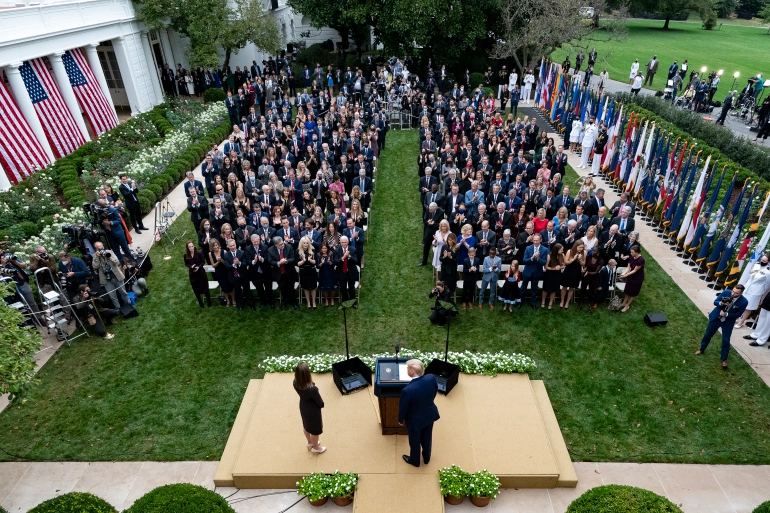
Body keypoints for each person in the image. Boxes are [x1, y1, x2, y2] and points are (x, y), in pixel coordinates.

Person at [398, 359, 440, 467]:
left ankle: (415, 461)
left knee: (414, 441)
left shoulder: (407, 390)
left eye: (407, 368)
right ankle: (426, 458)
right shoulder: (431, 378)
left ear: (411, 372)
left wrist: (400, 419)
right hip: (429, 414)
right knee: (427, 437)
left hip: (415, 420)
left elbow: (403, 408)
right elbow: (434, 392)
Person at [696, 285, 748, 369]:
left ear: (741, 293)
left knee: (726, 340)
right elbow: (715, 302)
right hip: (716, 317)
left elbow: (738, 314)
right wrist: (721, 303)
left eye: (736, 293)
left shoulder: (744, 302)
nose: (733, 294)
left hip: (728, 322)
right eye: (733, 291)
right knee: (708, 335)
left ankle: (724, 359)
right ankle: (702, 349)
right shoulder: (726, 292)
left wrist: (726, 314)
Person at [293, 362, 326, 454]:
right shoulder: (313, 389)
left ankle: (310, 442)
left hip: (303, 406)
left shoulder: (295, 382)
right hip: (313, 411)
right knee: (315, 431)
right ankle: (316, 447)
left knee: (306, 426)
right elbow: (320, 403)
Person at [735, 255, 770, 328]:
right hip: (747, 288)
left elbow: (767, 285)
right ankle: (737, 318)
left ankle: (741, 322)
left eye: (764, 261)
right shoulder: (756, 265)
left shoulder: (768, 272)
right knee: (741, 303)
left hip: (756, 292)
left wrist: (762, 296)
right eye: (761, 259)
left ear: (768, 262)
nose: (762, 261)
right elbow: (750, 276)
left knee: (749, 307)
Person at [92, 241, 129, 310]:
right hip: (106, 279)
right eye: (99, 248)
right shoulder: (94, 256)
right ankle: (118, 309)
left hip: (116, 275)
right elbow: (95, 267)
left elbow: (117, 262)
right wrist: (97, 258)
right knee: (113, 296)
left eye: (102, 247)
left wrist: (109, 258)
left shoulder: (109, 252)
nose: (102, 249)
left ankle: (129, 305)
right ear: (96, 249)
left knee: (123, 292)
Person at [268, 236, 298, 310]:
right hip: (279, 273)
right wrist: (279, 262)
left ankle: (294, 302)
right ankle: (284, 302)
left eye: (282, 243)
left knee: (291, 288)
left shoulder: (288, 247)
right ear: (275, 245)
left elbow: (293, 258)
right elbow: (270, 261)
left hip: (289, 272)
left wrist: (286, 261)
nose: (282, 245)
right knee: (283, 289)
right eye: (280, 245)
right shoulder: (270, 250)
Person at [520, 233, 549, 309]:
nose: (535, 242)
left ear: (540, 240)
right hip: (527, 272)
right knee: (523, 288)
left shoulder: (544, 249)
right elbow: (524, 260)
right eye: (534, 240)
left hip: (537, 272)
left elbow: (544, 262)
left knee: (534, 289)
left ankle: (533, 303)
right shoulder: (528, 248)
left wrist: (538, 258)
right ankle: (520, 301)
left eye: (537, 240)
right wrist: (532, 258)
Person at [184, 240, 211, 308]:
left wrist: (198, 267)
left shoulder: (199, 253)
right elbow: (186, 263)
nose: (191, 248)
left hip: (201, 272)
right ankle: (200, 302)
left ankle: (209, 301)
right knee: (195, 288)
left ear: (194, 246)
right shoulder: (186, 255)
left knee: (205, 287)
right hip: (193, 274)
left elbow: (203, 262)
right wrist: (191, 266)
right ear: (187, 248)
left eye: (192, 246)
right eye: (189, 247)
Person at [618, 245, 644, 312]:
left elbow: (635, 270)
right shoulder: (631, 257)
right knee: (627, 290)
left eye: (632, 252)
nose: (631, 253)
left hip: (637, 278)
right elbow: (628, 267)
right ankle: (624, 303)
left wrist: (626, 275)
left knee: (633, 292)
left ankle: (627, 305)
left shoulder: (641, 260)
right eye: (631, 252)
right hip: (631, 276)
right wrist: (623, 274)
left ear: (637, 252)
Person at [297, 235, 318, 308]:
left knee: (313, 287)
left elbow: (315, 262)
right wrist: (303, 261)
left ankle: (314, 302)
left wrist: (310, 260)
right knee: (305, 287)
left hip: (312, 270)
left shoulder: (313, 250)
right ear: (301, 243)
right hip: (303, 271)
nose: (305, 244)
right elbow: (297, 264)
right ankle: (308, 302)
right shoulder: (298, 251)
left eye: (307, 243)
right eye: (304, 243)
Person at [542, 243, 564, 309]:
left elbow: (563, 265)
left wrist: (560, 267)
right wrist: (554, 268)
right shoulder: (549, 256)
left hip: (557, 274)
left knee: (554, 289)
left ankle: (550, 303)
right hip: (549, 274)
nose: (562, 251)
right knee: (546, 289)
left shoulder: (562, 255)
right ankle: (543, 301)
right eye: (561, 250)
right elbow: (545, 267)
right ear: (556, 250)